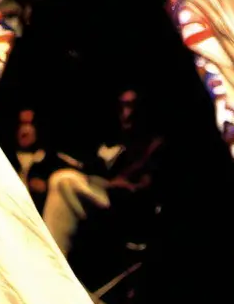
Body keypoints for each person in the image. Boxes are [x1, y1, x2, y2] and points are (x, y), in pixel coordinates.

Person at [42, 88, 163, 258]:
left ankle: (52, 259)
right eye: (121, 107)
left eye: (130, 106)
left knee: (64, 180)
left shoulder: (153, 143)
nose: (125, 114)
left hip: (128, 209)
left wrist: (127, 184)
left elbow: (148, 186)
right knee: (59, 181)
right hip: (105, 198)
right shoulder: (116, 142)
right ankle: (54, 257)